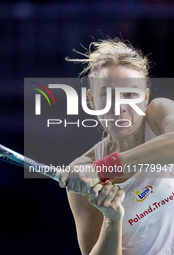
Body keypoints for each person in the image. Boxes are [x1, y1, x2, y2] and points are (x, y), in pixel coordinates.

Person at [58, 38, 174, 255]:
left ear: (145, 97)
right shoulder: (83, 176)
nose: (118, 106)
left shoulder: (159, 116)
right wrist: (112, 220)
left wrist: (104, 168)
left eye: (130, 94)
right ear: (92, 100)